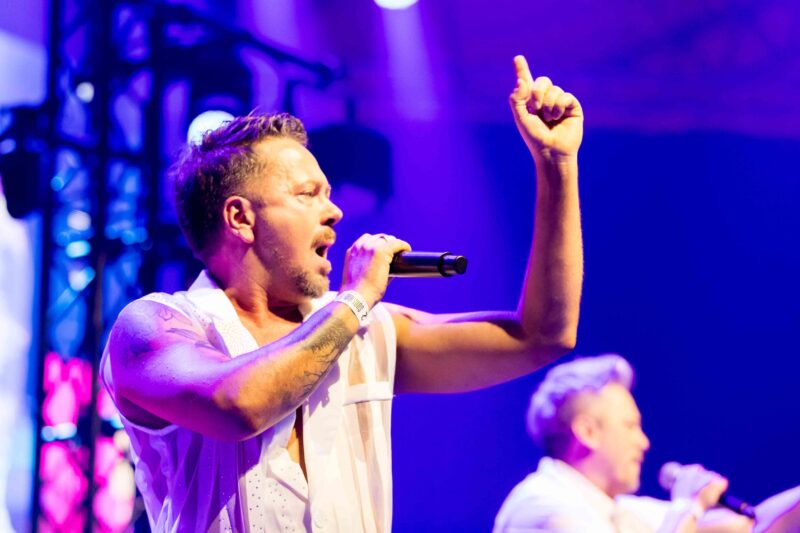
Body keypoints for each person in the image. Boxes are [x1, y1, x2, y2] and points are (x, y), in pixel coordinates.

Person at [100, 55, 584, 532]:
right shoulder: (155, 325)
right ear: (240, 218)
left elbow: (541, 336)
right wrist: (353, 300)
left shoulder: (367, 332)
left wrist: (556, 164)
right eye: (308, 194)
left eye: (328, 194)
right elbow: (235, 406)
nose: (334, 212)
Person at [493, 354, 800, 533]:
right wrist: (689, 506)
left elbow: (748, 526)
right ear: (587, 432)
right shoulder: (542, 507)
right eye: (630, 426)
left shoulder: (620, 511)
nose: (644, 442)